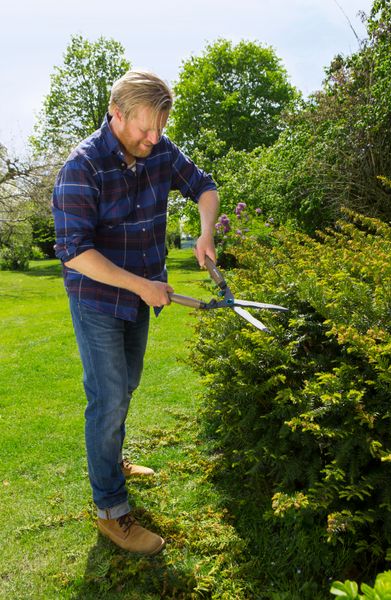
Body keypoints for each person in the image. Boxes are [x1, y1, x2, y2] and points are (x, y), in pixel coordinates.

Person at [52, 70, 219, 555]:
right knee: (106, 399)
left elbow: (204, 187)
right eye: (145, 128)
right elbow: (74, 252)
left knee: (125, 388)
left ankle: (112, 459)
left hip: (142, 296)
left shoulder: (160, 150)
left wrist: (205, 231)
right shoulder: (81, 167)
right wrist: (143, 286)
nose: (153, 138)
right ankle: (110, 509)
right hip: (99, 299)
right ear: (116, 114)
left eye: (160, 128)